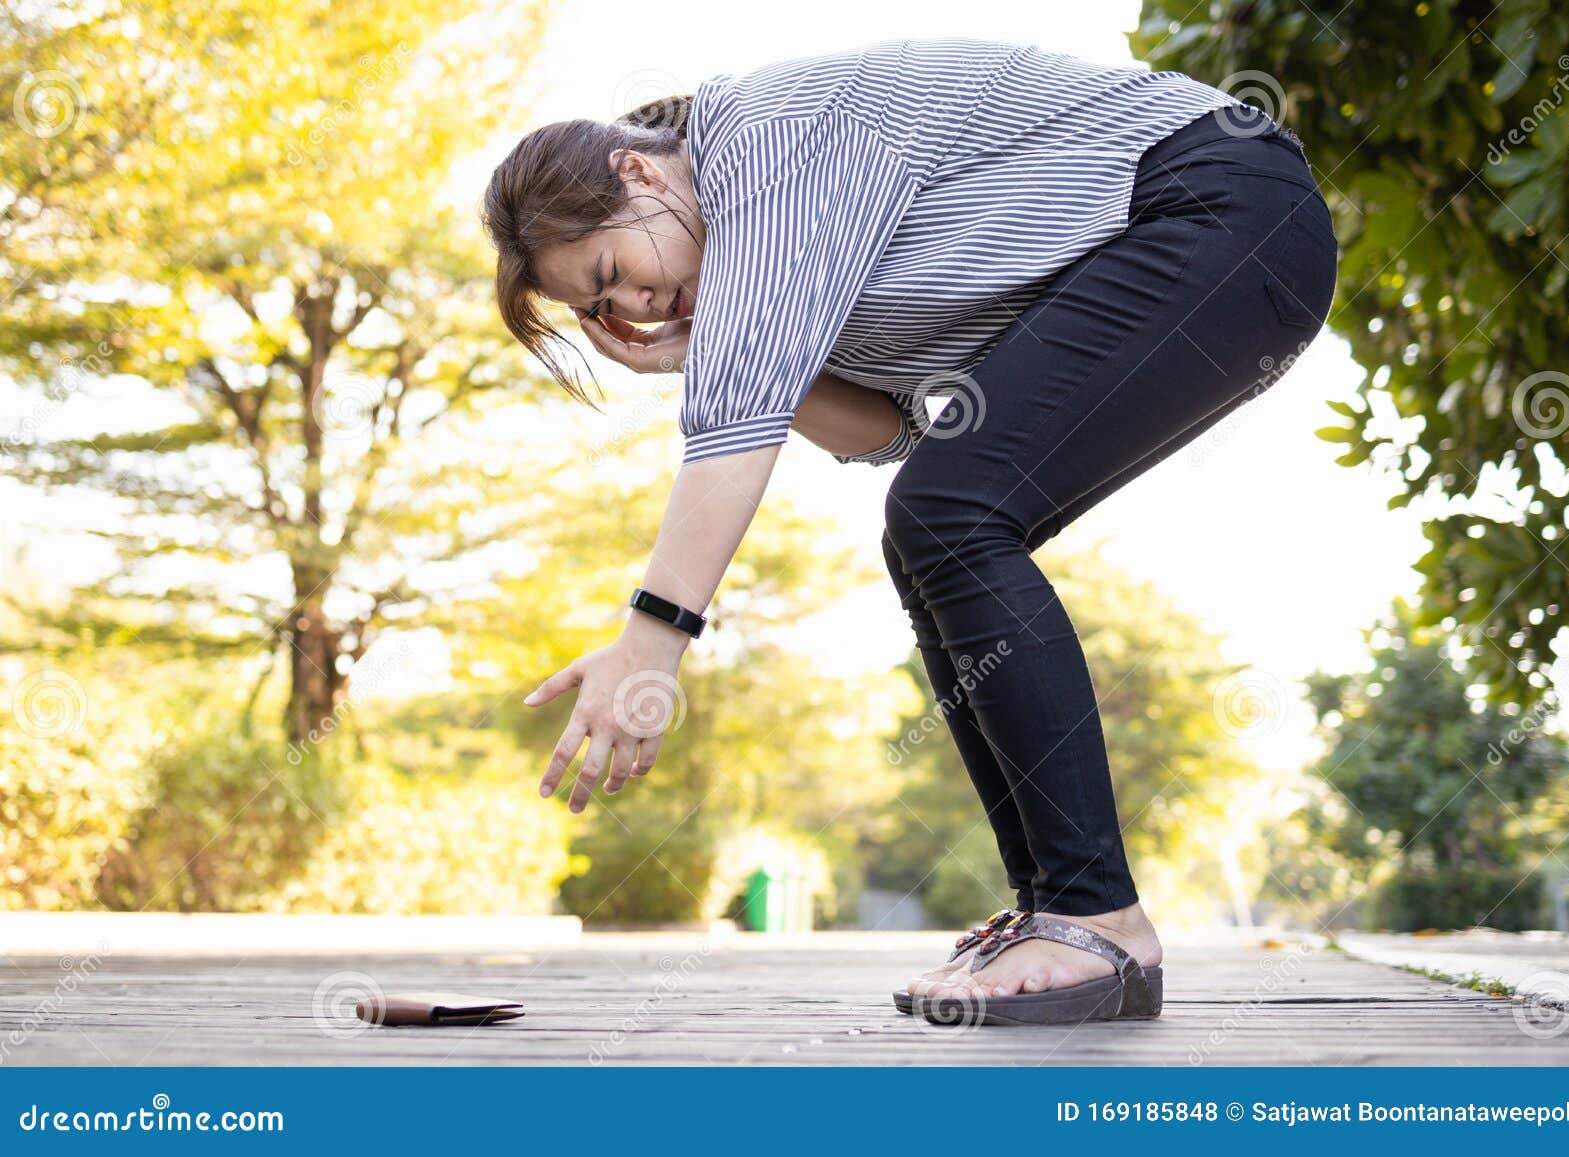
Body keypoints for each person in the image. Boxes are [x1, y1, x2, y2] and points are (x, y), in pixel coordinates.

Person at [480, 36, 1338, 1026]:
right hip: (1217, 235)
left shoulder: (758, 141)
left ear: (633, 170)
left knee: (950, 511)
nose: (630, 306)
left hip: (1219, 205)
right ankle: (1058, 909)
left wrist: (650, 643)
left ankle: (1095, 916)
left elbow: (737, 422)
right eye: (600, 308)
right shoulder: (769, 257)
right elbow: (892, 432)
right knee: (932, 514)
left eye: (613, 268)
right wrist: (719, 345)